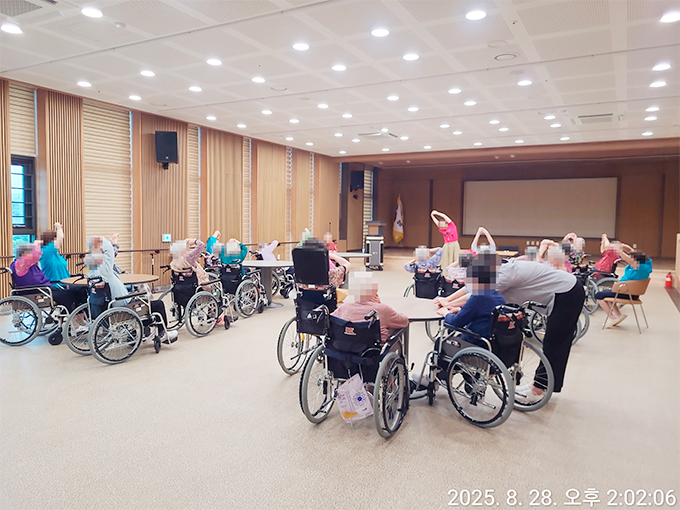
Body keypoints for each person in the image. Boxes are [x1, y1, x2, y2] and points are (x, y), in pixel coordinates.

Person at [495, 259, 584, 403]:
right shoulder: (508, 267)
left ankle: (537, 390)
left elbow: (479, 294)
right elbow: (474, 290)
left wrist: (453, 302)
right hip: (567, 289)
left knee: (554, 344)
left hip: (567, 293)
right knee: (556, 343)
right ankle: (540, 385)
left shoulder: (506, 274)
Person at [86, 236, 177, 343]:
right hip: (121, 304)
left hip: (107, 305)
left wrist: (98, 246)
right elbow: (109, 251)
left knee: (143, 301)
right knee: (157, 304)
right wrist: (106, 241)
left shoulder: (92, 269)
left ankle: (143, 332)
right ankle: (162, 333)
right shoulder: (106, 269)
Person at [442, 252, 505, 346]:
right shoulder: (497, 296)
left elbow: (455, 322)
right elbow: (484, 314)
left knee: (441, 343)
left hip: (476, 342)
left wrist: (445, 313)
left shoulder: (478, 297)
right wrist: (459, 310)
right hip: (494, 342)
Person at [332, 272, 408, 344]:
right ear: (375, 290)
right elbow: (404, 321)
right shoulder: (382, 310)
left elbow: (330, 320)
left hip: (343, 348)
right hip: (373, 350)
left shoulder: (344, 307)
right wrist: (378, 304)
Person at [595, 248, 652, 328]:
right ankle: (618, 315)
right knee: (608, 294)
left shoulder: (640, 268)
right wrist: (624, 246)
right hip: (630, 292)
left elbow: (630, 261)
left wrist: (618, 250)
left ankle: (611, 317)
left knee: (598, 295)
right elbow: (632, 253)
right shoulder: (646, 265)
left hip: (627, 293)